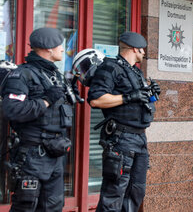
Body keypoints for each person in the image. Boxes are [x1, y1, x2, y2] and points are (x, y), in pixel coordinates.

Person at [1, 27, 74, 211]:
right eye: (59, 45)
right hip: (33, 155)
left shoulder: (54, 75)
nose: (63, 49)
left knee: (53, 206)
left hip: (55, 152)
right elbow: (12, 110)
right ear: (48, 48)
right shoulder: (22, 74)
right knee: (26, 206)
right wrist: (46, 100)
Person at [88, 32, 161, 211]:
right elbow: (96, 100)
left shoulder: (135, 72)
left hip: (139, 138)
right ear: (135, 49)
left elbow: (141, 101)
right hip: (121, 139)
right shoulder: (110, 68)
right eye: (142, 50)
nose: (144, 53)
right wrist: (128, 97)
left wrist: (152, 95)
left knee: (136, 191)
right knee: (114, 192)